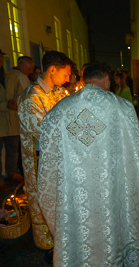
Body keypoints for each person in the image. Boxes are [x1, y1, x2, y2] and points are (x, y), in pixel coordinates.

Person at [37, 62, 139, 266]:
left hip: (75, 196)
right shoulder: (121, 107)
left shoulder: (60, 110)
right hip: (112, 194)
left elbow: (47, 157)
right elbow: (137, 144)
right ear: (107, 80)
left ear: (83, 80)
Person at [18, 51, 72, 250]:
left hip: (60, 156)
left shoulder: (59, 92)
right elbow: (45, 134)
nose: (68, 79)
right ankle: (50, 247)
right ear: (52, 70)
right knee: (45, 201)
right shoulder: (31, 98)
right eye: (65, 74)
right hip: (40, 159)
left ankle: (64, 238)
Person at [0, 49, 24, 191]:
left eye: (1, 57)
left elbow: (20, 93)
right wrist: (4, 105)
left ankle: (12, 172)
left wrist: (16, 102)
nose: (0, 60)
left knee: (13, 149)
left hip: (12, 119)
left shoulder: (12, 77)